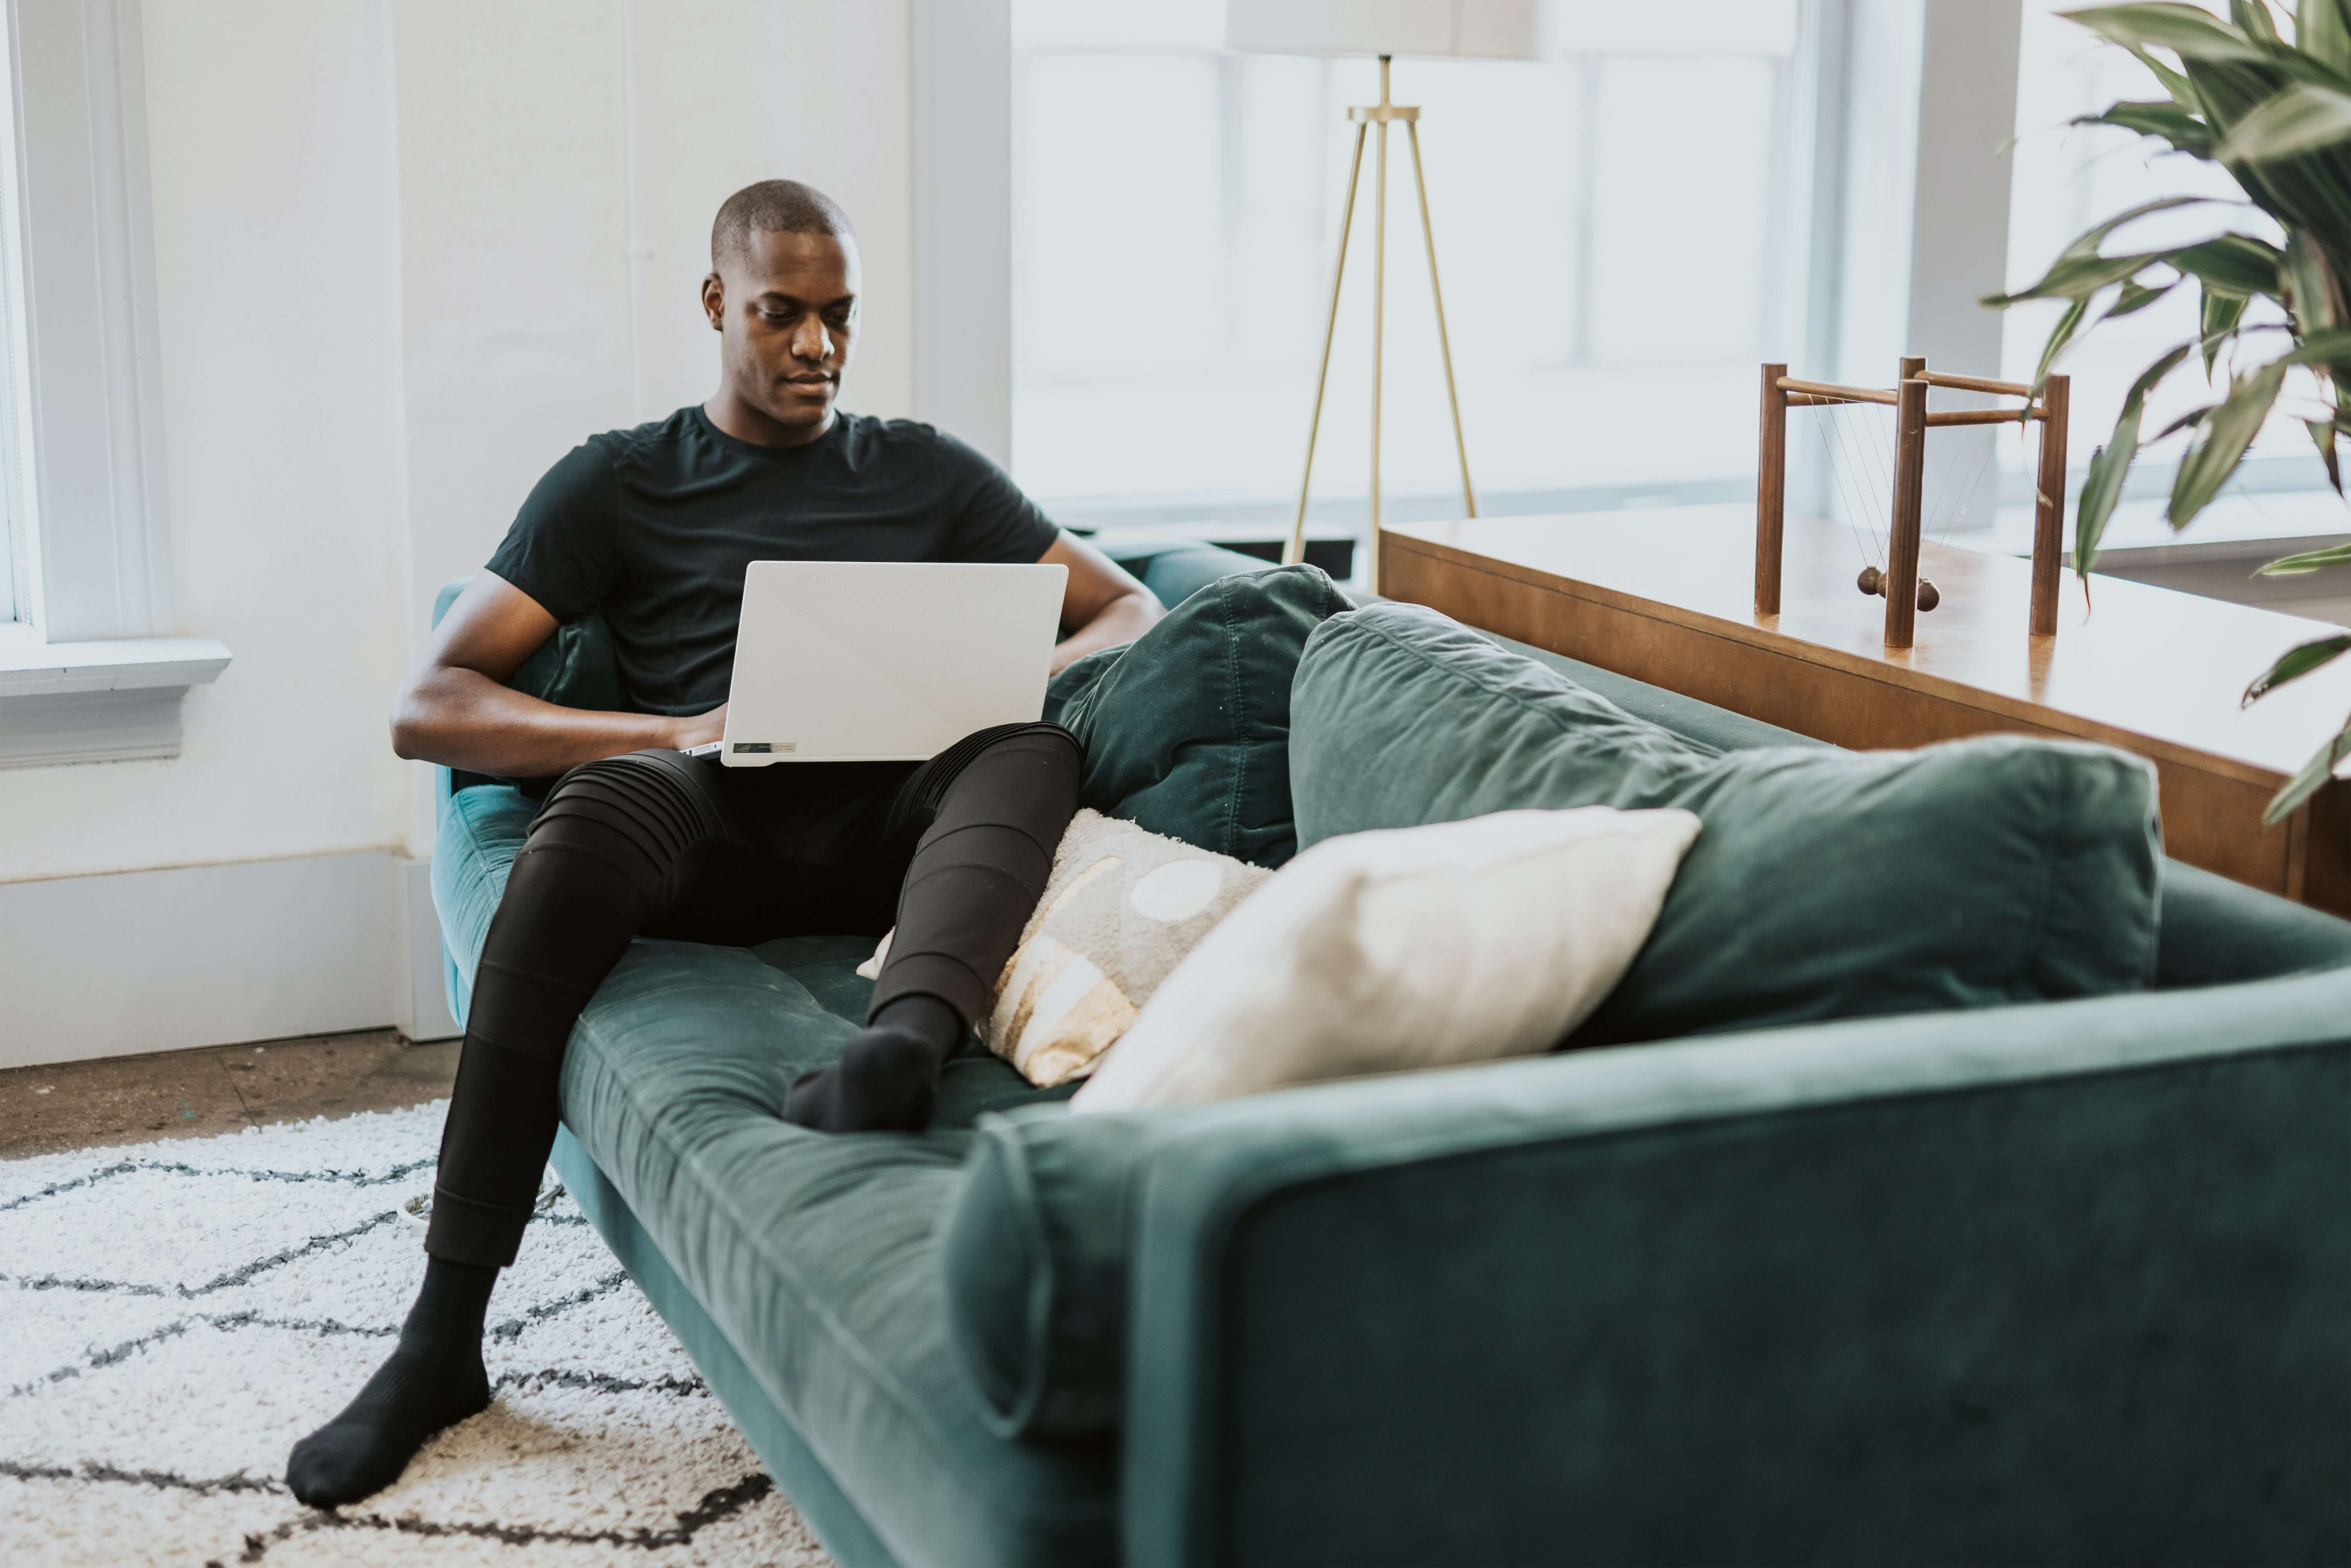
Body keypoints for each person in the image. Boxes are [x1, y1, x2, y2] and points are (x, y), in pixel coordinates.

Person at [284, 179, 1162, 1507]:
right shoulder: (617, 480)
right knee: (583, 823)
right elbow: (431, 705)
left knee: (1030, 751)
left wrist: (999, 687)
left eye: (841, 318)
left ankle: (904, 1046)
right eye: (784, 314)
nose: (819, 348)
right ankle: (444, 1332)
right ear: (715, 305)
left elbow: (1130, 610)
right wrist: (669, 729)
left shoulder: (924, 470)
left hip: (890, 829)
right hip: (707, 817)